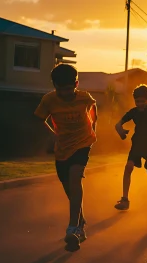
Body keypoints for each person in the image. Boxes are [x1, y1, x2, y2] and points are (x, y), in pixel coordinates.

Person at [34, 64, 97, 251]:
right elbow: (39, 119)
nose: (66, 93)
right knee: (69, 188)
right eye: (61, 90)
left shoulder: (84, 98)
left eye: (69, 89)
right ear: (54, 86)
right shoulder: (49, 100)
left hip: (83, 143)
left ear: (76, 84)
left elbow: (93, 108)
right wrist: (53, 135)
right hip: (62, 148)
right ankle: (81, 221)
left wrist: (93, 128)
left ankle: (73, 229)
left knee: (75, 176)